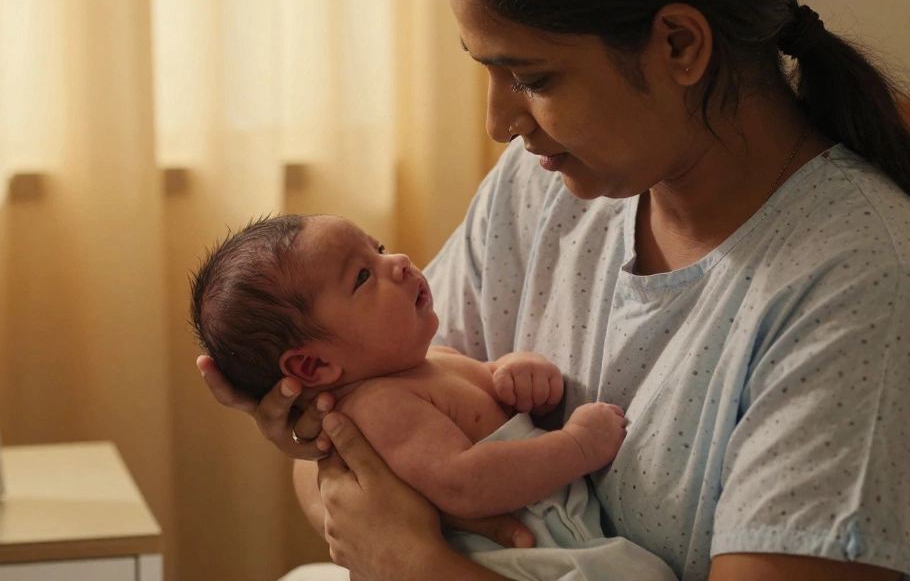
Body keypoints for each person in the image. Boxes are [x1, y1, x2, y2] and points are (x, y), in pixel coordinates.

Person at [197, 0, 910, 579]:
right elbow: (360, 452)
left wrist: (416, 562)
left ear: (679, 45)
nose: (499, 123)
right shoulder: (544, 188)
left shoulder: (866, 299)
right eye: (489, 73)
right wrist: (323, 433)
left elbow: (382, 521)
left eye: (533, 77)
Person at [191, 213, 678, 581]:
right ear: (313, 366)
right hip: (522, 555)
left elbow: (486, 394)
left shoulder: (423, 363)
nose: (397, 263)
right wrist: (576, 446)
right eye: (363, 276)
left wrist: (514, 374)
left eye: (378, 249)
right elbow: (466, 484)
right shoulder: (380, 405)